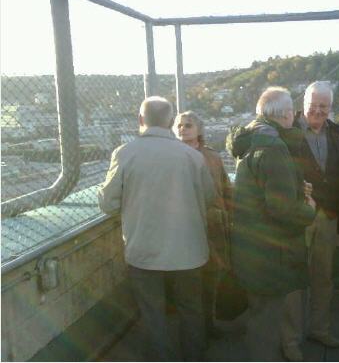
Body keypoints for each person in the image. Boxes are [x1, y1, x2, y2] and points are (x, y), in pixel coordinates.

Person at [98, 96, 216, 361]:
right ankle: (194, 355)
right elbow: (208, 196)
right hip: (189, 248)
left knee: (153, 312)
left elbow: (108, 204)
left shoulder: (124, 153)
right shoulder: (192, 156)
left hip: (144, 248)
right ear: (171, 121)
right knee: (191, 308)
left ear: (141, 119)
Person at [227, 87, 316, 361]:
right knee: (267, 322)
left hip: (250, 249)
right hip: (271, 254)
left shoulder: (250, 140)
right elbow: (281, 209)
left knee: (259, 317)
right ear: (286, 114)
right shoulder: (273, 147)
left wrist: (294, 188)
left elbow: (260, 194)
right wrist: (309, 209)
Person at [283, 81, 339, 357]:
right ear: (303, 104)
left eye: (324, 106)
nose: (319, 111)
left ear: (331, 107)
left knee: (323, 277)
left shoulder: (335, 132)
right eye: (314, 105)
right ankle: (290, 339)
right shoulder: (288, 132)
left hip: (328, 215)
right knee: (294, 279)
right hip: (298, 216)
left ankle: (319, 329)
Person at [175, 110, 233, 341]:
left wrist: (229, 215)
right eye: (179, 125)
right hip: (184, 227)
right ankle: (193, 332)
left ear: (199, 130)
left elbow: (225, 188)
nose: (182, 129)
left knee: (212, 277)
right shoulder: (172, 157)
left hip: (213, 224)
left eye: (188, 125)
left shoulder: (212, 157)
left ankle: (208, 325)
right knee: (189, 282)